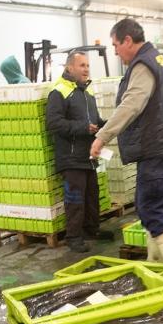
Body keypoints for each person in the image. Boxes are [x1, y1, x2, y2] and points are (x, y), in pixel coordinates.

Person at [90, 17, 163, 283]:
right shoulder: (156, 59)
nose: (115, 52)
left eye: (115, 45)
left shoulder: (143, 65)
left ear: (127, 40)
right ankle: (157, 262)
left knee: (148, 205)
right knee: (157, 204)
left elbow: (131, 105)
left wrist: (102, 137)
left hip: (156, 147)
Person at [46, 50, 113, 253]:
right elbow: (54, 123)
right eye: (82, 65)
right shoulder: (59, 91)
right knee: (75, 198)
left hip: (89, 154)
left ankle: (91, 229)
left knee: (92, 194)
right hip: (71, 155)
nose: (86, 69)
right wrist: (83, 128)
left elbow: (94, 120)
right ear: (69, 67)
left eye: (87, 66)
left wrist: (109, 125)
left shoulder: (87, 91)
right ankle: (73, 237)